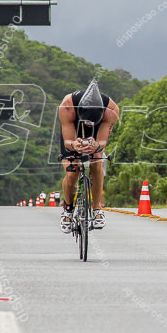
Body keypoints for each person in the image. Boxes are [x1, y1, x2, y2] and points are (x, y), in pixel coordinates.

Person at [57, 80, 120, 231]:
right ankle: (68, 209)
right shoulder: (67, 106)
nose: (88, 124)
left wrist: (97, 145)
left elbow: (102, 141)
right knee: (72, 173)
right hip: (73, 131)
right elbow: (68, 141)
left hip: (98, 132)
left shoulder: (111, 110)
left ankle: (97, 208)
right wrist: (75, 145)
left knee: (97, 163)